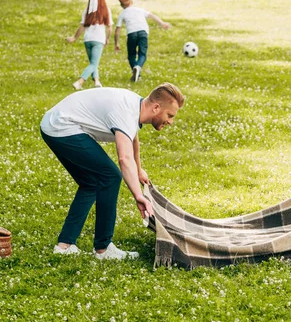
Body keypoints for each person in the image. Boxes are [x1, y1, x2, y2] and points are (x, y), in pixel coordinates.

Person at [40, 83, 185, 260]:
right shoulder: (126, 112)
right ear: (156, 107)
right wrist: (138, 195)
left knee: (91, 184)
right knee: (110, 176)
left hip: (55, 123)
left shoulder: (135, 107)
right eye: (170, 115)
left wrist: (139, 170)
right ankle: (103, 248)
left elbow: (133, 140)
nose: (170, 121)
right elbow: (124, 158)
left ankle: (64, 246)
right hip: (61, 126)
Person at [114, 0, 171, 83]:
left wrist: (116, 43)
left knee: (131, 55)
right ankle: (138, 67)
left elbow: (117, 30)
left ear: (121, 5)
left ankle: (137, 73)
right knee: (142, 54)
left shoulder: (123, 14)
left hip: (131, 34)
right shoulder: (139, 10)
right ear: (131, 1)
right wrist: (162, 23)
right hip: (143, 33)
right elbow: (152, 16)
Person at [66, 0, 113, 90]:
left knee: (93, 62)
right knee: (93, 63)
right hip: (98, 39)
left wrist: (74, 37)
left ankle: (97, 81)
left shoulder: (87, 11)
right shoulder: (106, 10)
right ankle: (80, 82)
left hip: (87, 40)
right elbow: (109, 28)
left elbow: (82, 26)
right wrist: (107, 38)